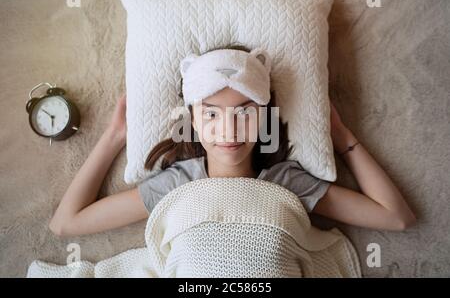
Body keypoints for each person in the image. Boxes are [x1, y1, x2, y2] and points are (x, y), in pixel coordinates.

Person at [49, 45, 416, 237]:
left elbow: (396, 217)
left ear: (266, 115)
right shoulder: (177, 185)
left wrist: (343, 139)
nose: (229, 130)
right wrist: (115, 137)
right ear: (192, 119)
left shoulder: (286, 183)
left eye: (245, 112)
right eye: (211, 113)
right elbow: (66, 223)